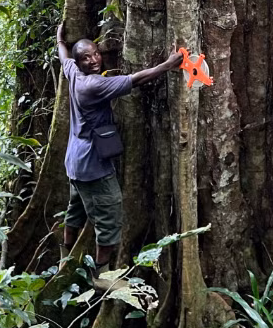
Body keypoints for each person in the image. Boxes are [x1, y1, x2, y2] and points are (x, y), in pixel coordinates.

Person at [56, 23, 183, 289]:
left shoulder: (71, 72)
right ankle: (100, 276)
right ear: (80, 63)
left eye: (95, 54)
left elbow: (62, 55)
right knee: (110, 214)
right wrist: (167, 65)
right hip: (92, 165)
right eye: (85, 58)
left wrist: (60, 38)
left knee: (75, 209)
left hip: (74, 162)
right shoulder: (92, 85)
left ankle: (65, 257)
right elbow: (135, 79)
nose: (92, 60)